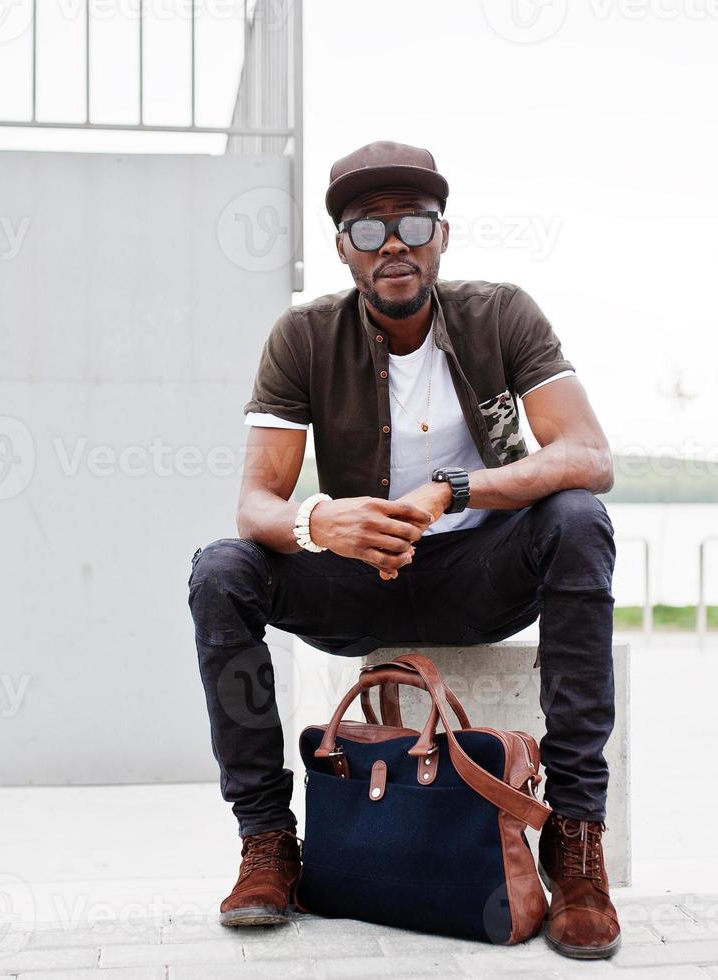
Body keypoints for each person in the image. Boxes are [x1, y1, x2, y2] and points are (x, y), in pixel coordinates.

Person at [186, 140, 621, 959]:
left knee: (575, 517)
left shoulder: (502, 314)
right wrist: (323, 524)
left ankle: (574, 840)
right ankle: (268, 843)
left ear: (442, 237)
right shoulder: (303, 336)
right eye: (366, 228)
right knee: (221, 570)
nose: (393, 242)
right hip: (355, 585)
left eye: (413, 222)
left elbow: (589, 457)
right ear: (343, 249)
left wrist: (454, 491)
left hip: (479, 576)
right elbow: (255, 505)